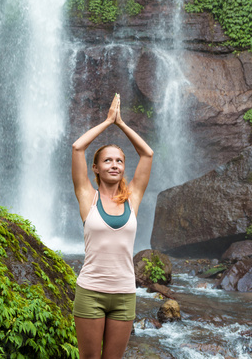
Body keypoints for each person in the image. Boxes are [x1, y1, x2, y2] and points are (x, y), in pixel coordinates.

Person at [71, 93, 154, 359]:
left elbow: (147, 153)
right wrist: (107, 122)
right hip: (90, 292)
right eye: (107, 160)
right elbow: (77, 148)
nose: (114, 165)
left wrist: (121, 124)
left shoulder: (134, 197)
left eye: (119, 161)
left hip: (124, 294)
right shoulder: (87, 197)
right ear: (95, 168)